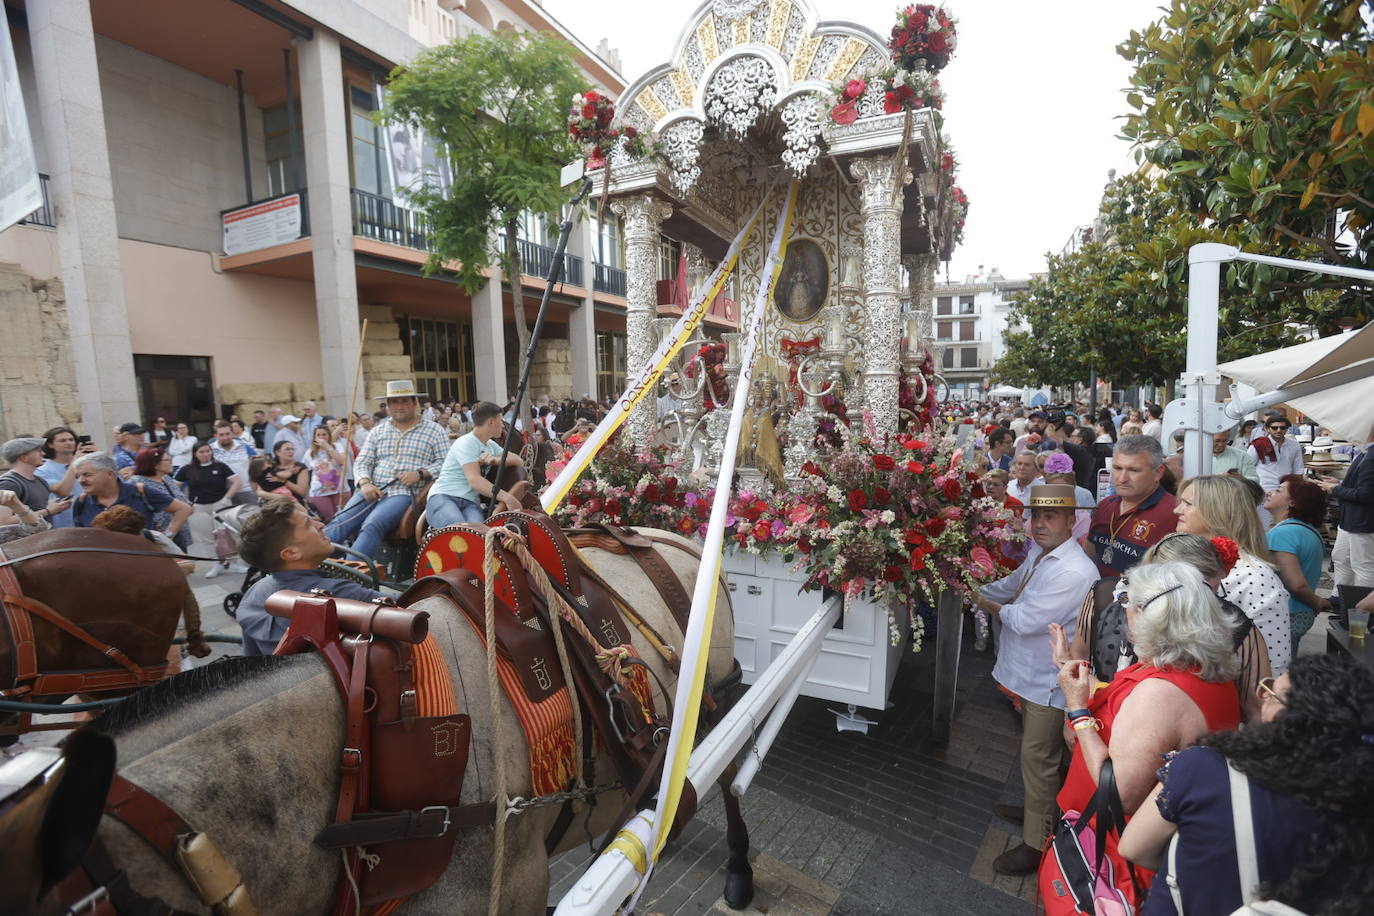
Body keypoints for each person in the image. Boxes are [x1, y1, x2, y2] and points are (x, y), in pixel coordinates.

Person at [1120, 654, 1371, 916]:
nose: (1262, 699)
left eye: (1271, 694)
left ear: (1285, 716)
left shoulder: (1202, 768)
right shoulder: (1359, 800)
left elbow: (1134, 848)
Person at [1056, 561, 1243, 904]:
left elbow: (1120, 795)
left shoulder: (1160, 693)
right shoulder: (1202, 669)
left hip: (1111, 858)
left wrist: (1078, 711)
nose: (1124, 612)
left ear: (1147, 616)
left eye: (1128, 603)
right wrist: (1068, 667)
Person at [972, 484, 1099, 875]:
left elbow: (1025, 619)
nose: (1039, 524)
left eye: (1050, 516)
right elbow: (1014, 585)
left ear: (1072, 520)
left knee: (1038, 759)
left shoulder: (1074, 571)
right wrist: (973, 587)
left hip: (1048, 681)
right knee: (1038, 755)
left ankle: (1037, 843)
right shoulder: (1041, 554)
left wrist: (985, 602)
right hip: (1030, 675)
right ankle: (1038, 811)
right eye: (1036, 516)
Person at [1060, 532, 1271, 724]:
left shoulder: (1234, 624)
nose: (1197, 596)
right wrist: (1073, 713)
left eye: (1207, 588)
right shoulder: (1106, 596)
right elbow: (1080, 658)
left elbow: (1256, 709)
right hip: (1099, 725)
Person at [1175, 474, 1291, 677]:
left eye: (1188, 504)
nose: (1177, 510)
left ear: (1217, 511)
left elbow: (1273, 666)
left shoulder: (1255, 577)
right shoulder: (1180, 560)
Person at [235, 500, 382, 656]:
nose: (321, 525)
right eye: (308, 525)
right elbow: (401, 609)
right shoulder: (338, 593)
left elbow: (252, 660)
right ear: (291, 553)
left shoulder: (253, 593)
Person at [325, 380, 448, 560]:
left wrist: (420, 473)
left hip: (404, 493)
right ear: (388, 406)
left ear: (415, 403)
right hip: (372, 488)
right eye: (394, 402)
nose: (400, 406)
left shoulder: (434, 430)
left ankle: (351, 570)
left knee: (372, 524)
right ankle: (313, 563)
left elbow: (445, 463)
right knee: (341, 520)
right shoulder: (378, 431)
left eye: (405, 401)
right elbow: (362, 461)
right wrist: (365, 483)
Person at [1086, 434, 1178, 578]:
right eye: (1117, 468)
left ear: (1158, 473)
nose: (1122, 478)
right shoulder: (1104, 506)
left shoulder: (1175, 513)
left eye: (1134, 470)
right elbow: (1089, 557)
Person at [427, 401, 525, 527]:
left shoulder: (490, 445)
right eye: (501, 421)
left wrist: (497, 460)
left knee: (479, 534)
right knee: (461, 531)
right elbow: (474, 480)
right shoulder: (466, 442)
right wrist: (507, 498)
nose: (503, 425)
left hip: (470, 503)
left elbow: (519, 460)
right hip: (445, 496)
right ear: (491, 422)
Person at [1264, 474, 1331, 648]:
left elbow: (1296, 585)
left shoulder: (1284, 533)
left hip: (1287, 612)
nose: (1269, 493)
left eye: (1278, 490)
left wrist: (1318, 602)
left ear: (1293, 502)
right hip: (1299, 612)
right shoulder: (1306, 530)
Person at [71, 452, 191, 537]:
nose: (81, 480)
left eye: (87, 475)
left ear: (110, 474)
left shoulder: (138, 492)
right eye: (78, 476)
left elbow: (183, 509)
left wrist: (167, 537)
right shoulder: (81, 502)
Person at [1316, 421, 1374, 591]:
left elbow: (1366, 494)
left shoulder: (1371, 456)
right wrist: (1339, 484)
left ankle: (1363, 605)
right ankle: (1339, 596)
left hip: (1362, 521)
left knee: (1363, 565)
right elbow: (1363, 486)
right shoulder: (1367, 452)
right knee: (1341, 557)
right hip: (1352, 519)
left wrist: (1334, 489)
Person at [175, 441, 246, 579]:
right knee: (207, 538)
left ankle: (233, 563)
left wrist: (227, 498)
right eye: (201, 452)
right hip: (198, 507)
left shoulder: (220, 466)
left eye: (208, 451)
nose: (206, 454)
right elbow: (174, 486)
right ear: (195, 454)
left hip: (220, 504)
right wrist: (184, 503)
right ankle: (216, 564)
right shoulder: (187, 469)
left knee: (226, 535)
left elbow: (237, 481)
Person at [132, 447, 193, 551]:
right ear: (155, 464)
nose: (171, 463)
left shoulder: (166, 478)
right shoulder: (137, 483)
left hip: (177, 532)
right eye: (167, 460)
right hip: (156, 536)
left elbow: (180, 498)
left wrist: (187, 505)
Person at [0, 437, 69, 523]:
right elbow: (3, 521)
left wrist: (56, 506)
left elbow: (37, 507)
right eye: (38, 451)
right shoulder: (9, 483)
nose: (43, 453)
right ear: (24, 458)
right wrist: (48, 511)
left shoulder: (41, 481)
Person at [36, 427, 93, 528]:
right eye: (62, 440)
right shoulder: (42, 470)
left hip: (90, 517)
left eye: (71, 440)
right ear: (50, 444)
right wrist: (74, 464)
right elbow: (63, 491)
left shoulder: (89, 463)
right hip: (64, 523)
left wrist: (98, 457)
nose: (69, 443)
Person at [1247, 415, 1304, 493]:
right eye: (1274, 428)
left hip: (1286, 489)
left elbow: (1298, 469)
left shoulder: (1294, 445)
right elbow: (1247, 467)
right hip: (1262, 489)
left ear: (1287, 429)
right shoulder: (1258, 444)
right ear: (1268, 429)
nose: (1278, 430)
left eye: (1282, 428)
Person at [304, 426, 347, 522]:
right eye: (318, 435)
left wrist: (327, 447)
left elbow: (342, 461)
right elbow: (305, 470)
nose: (321, 437)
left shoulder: (337, 446)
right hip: (319, 491)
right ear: (314, 438)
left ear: (329, 436)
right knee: (328, 519)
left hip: (340, 489)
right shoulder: (310, 452)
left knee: (344, 518)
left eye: (324, 434)